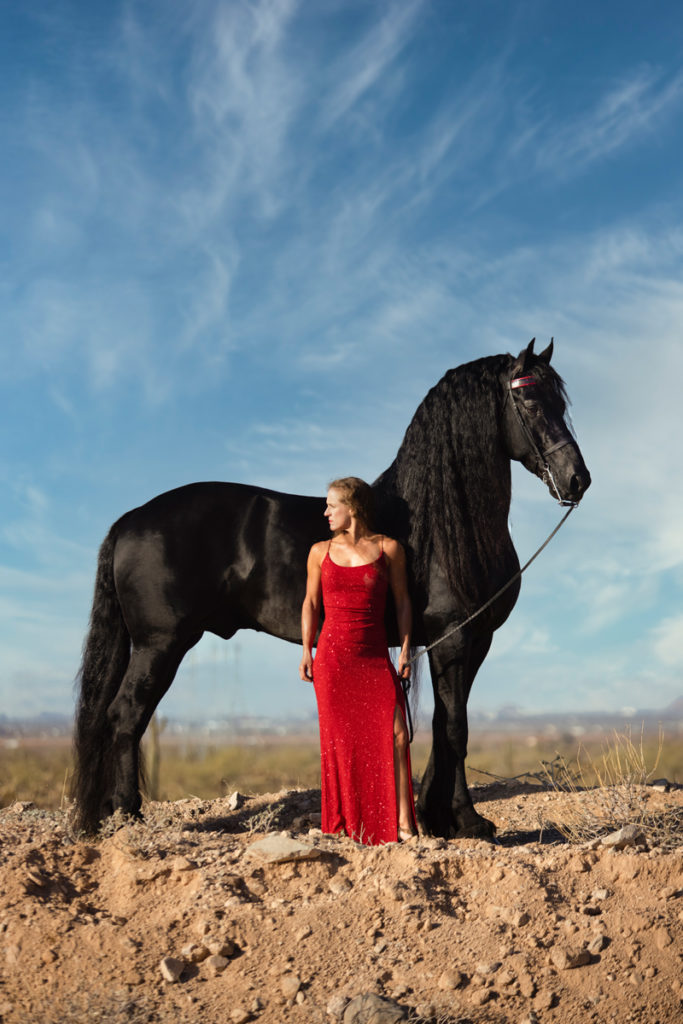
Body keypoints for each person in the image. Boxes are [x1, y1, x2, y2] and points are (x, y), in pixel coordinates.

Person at [299, 477, 418, 844]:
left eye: (332, 505)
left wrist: (406, 648)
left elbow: (401, 602)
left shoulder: (389, 549)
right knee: (340, 745)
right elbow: (311, 603)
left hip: (373, 658)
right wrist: (307, 648)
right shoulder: (319, 551)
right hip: (333, 661)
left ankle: (403, 823)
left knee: (398, 735)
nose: (326, 512)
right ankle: (350, 824)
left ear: (353, 507)